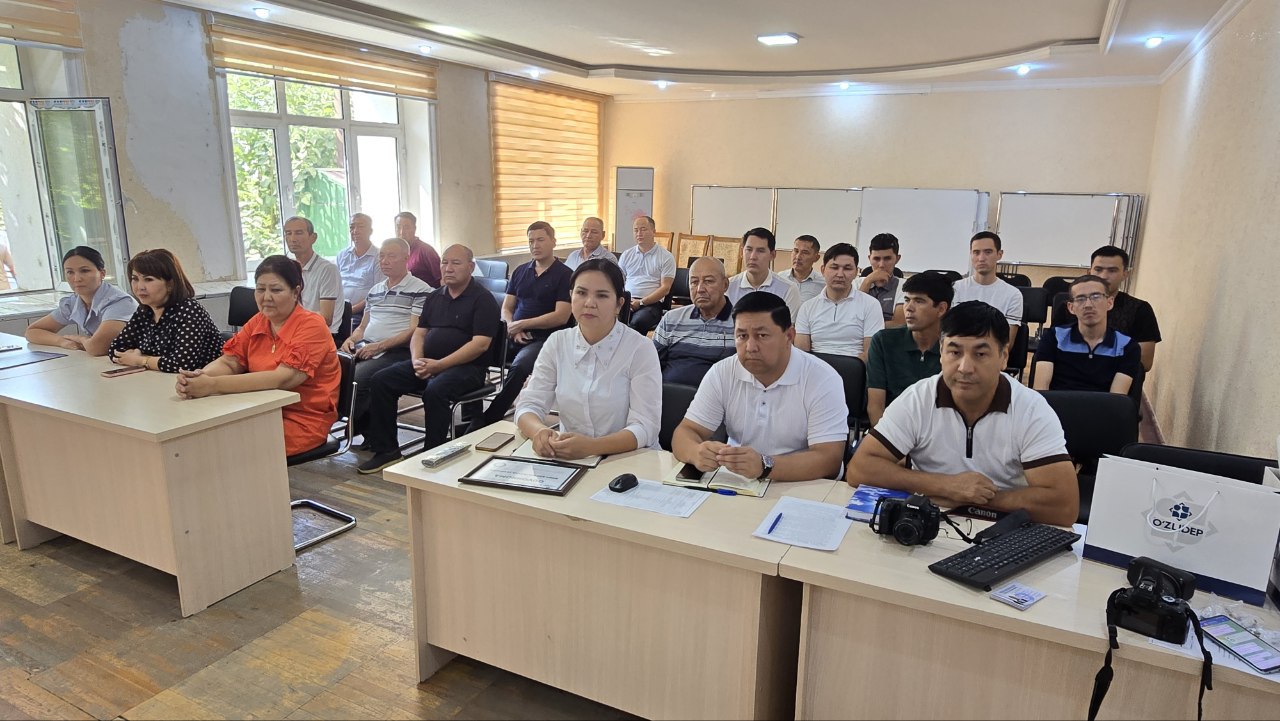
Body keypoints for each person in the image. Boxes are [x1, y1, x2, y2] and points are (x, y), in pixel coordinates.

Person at [847, 301, 1078, 526]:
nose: (965, 368)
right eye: (954, 352)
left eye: (980, 354)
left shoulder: (1031, 409)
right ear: (941, 353)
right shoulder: (918, 398)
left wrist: (973, 499)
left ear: (1004, 357)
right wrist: (945, 486)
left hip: (1002, 527)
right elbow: (859, 469)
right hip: (928, 520)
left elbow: (1064, 506)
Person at [175, 255, 341, 457]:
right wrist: (199, 377)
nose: (266, 297)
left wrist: (212, 385)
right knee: (202, 435)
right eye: (260, 289)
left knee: (221, 445)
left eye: (276, 290)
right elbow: (230, 361)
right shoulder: (259, 320)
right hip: (257, 408)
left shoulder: (312, 325)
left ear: (296, 292)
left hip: (300, 419)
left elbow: (283, 379)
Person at [672, 291, 847, 482]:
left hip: (805, 484)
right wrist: (696, 452)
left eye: (762, 335)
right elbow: (686, 432)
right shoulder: (723, 372)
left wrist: (765, 466)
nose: (750, 347)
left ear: (789, 336)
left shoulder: (822, 378)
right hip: (739, 481)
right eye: (742, 336)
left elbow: (829, 459)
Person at [358, 244, 501, 473]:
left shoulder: (483, 299)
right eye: (445, 262)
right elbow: (419, 333)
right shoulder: (435, 296)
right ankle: (387, 450)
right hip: (429, 362)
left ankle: (433, 452)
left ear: (471, 267)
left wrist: (440, 365)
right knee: (381, 380)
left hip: (468, 368)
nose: (448, 268)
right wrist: (417, 359)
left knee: (435, 390)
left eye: (456, 263)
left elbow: (480, 344)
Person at [515, 259, 662, 460]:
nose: (589, 303)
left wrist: (592, 447)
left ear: (619, 305)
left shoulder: (640, 349)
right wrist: (539, 432)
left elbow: (646, 427)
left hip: (629, 459)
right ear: (571, 296)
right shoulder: (557, 342)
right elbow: (528, 405)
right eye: (581, 293)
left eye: (602, 295)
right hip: (570, 458)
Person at [476, 220, 573, 428]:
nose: (535, 245)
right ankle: (471, 414)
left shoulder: (565, 275)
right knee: (476, 351)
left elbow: (561, 316)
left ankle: (488, 419)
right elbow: (507, 307)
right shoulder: (520, 271)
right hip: (514, 333)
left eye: (540, 240)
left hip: (545, 339)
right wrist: (512, 326)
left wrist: (522, 324)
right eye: (531, 241)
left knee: (520, 368)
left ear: (553, 242)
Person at [340, 237, 433, 432]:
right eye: (381, 256)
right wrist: (351, 340)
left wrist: (379, 346)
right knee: (333, 369)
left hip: (398, 351)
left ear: (406, 258)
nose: (384, 261)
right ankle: (359, 428)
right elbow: (362, 327)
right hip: (368, 346)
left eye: (391, 256)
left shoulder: (420, 289)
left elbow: (414, 331)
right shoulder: (375, 290)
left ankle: (358, 429)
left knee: (358, 377)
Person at [107, 249, 225, 373]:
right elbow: (115, 349)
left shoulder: (189, 310)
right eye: (135, 279)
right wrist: (136, 355)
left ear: (170, 284)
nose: (139, 287)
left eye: (148, 279)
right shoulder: (145, 311)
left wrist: (140, 360)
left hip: (201, 379)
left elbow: (182, 364)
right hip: (158, 377)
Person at [1050, 246, 1160, 371]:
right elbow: (1051, 349)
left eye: (1112, 271)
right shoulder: (1069, 307)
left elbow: (1144, 362)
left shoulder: (1140, 309)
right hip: (1069, 376)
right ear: (1089, 272)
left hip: (1119, 377)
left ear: (1125, 274)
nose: (1104, 276)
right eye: (1098, 269)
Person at [866, 271, 953, 425]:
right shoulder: (883, 341)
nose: (909, 308)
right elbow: (875, 406)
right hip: (891, 429)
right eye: (906, 300)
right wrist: (886, 438)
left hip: (940, 430)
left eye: (919, 301)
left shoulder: (956, 347)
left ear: (941, 309)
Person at [1033, 275, 1141, 395]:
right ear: (1071, 307)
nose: (1088, 305)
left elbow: (1116, 399)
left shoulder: (1127, 346)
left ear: (1110, 303)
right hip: (1056, 406)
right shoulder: (1054, 338)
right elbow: (1041, 392)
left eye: (1096, 297)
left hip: (1104, 406)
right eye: (1080, 299)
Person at [26, 246, 136, 355]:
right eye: (70, 272)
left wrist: (80, 339)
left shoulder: (120, 302)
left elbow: (97, 348)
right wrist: (62, 342)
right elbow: (32, 332)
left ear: (102, 273)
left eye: (84, 271)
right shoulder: (73, 301)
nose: (77, 279)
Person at [652, 256, 736, 386]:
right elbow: (651, 364)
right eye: (694, 282)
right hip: (668, 395)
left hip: (717, 397)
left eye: (708, 281)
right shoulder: (671, 319)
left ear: (725, 285)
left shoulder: (741, 324)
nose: (700, 289)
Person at [794, 243, 884, 361]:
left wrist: (849, 369)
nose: (840, 274)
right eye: (834, 267)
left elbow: (870, 352)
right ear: (823, 270)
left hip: (855, 367)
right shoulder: (807, 307)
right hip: (816, 368)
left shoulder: (871, 304)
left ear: (856, 272)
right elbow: (801, 353)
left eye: (847, 268)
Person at [952, 231, 1022, 346]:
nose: (981, 258)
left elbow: (1006, 344)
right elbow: (948, 333)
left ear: (999, 254)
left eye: (988, 252)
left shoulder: (1013, 295)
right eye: (976, 252)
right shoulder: (956, 289)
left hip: (991, 355)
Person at [283, 216, 345, 334]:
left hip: (321, 334)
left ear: (313, 238)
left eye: (299, 233)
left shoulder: (327, 269)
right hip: (297, 330)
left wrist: (288, 317)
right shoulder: (288, 268)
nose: (293, 239)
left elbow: (326, 318)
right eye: (288, 233)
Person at [726, 227, 801, 318]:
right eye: (749, 250)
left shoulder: (788, 289)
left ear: (772, 255)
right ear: (742, 252)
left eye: (760, 251)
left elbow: (788, 325)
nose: (753, 257)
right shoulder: (727, 287)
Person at [618, 215, 676, 335]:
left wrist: (641, 302)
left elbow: (665, 288)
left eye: (643, 229)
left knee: (636, 323)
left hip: (651, 304)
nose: (639, 233)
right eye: (636, 230)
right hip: (627, 300)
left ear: (654, 231)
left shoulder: (666, 257)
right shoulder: (627, 255)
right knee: (611, 319)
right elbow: (617, 281)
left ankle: (634, 347)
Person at [336, 213, 387, 325]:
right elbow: (334, 286)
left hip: (363, 312)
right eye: (352, 227)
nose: (355, 231)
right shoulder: (342, 255)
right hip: (339, 310)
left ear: (370, 231)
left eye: (360, 226)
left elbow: (378, 293)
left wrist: (350, 310)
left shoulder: (379, 256)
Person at [858, 232, 906, 327]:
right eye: (876, 259)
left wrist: (862, 326)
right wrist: (867, 282)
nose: (881, 265)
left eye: (887, 259)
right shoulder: (855, 283)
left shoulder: (904, 286)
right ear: (869, 258)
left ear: (897, 259)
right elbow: (850, 317)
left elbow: (898, 324)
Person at [396, 211, 442, 289]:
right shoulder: (396, 253)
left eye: (406, 227)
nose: (402, 232)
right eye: (398, 227)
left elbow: (441, 279)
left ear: (414, 228)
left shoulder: (426, 250)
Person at [787, 234, 824, 304]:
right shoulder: (780, 278)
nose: (798, 257)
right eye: (796, 251)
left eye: (805, 253)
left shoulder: (823, 284)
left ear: (816, 258)